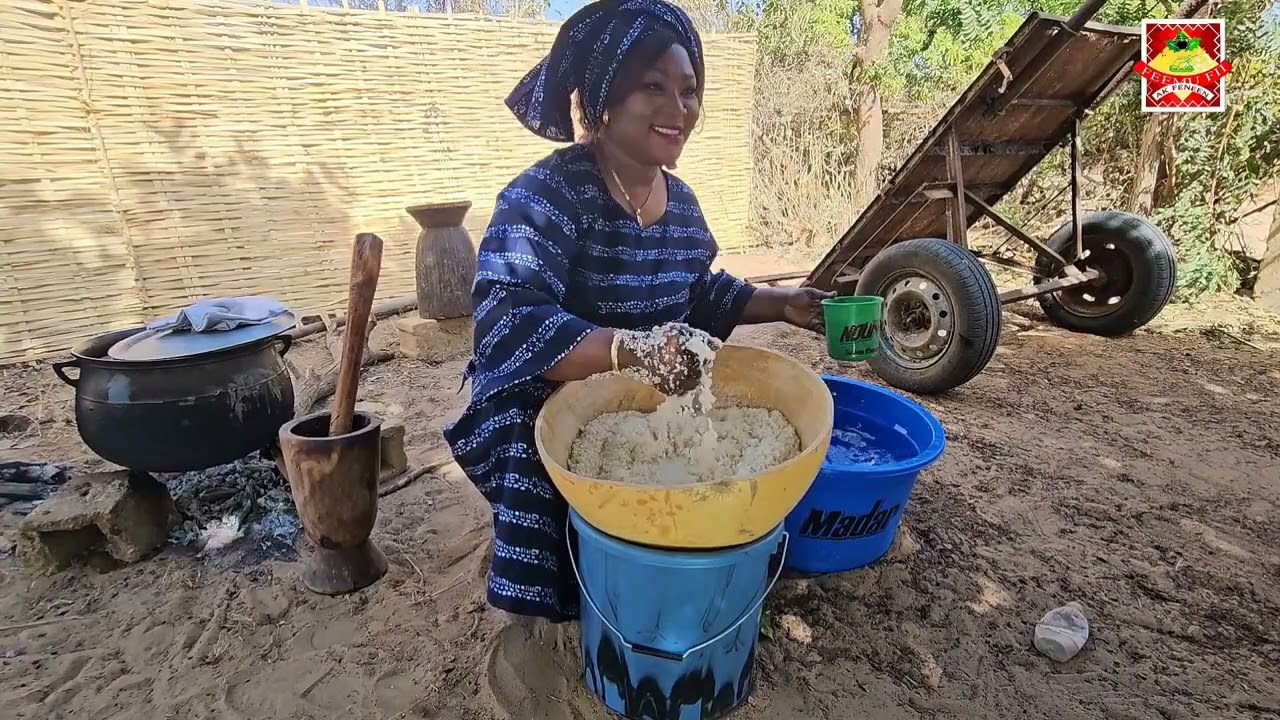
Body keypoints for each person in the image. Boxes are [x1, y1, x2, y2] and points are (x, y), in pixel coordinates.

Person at [444, 0, 830, 631]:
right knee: (531, 441)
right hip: (552, 390)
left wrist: (781, 305)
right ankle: (542, 613)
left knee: (691, 476)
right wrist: (630, 350)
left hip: (655, 383)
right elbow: (507, 319)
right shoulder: (545, 196)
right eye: (653, 87)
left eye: (689, 90)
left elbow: (701, 294)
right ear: (605, 97)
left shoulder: (681, 205)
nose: (678, 110)